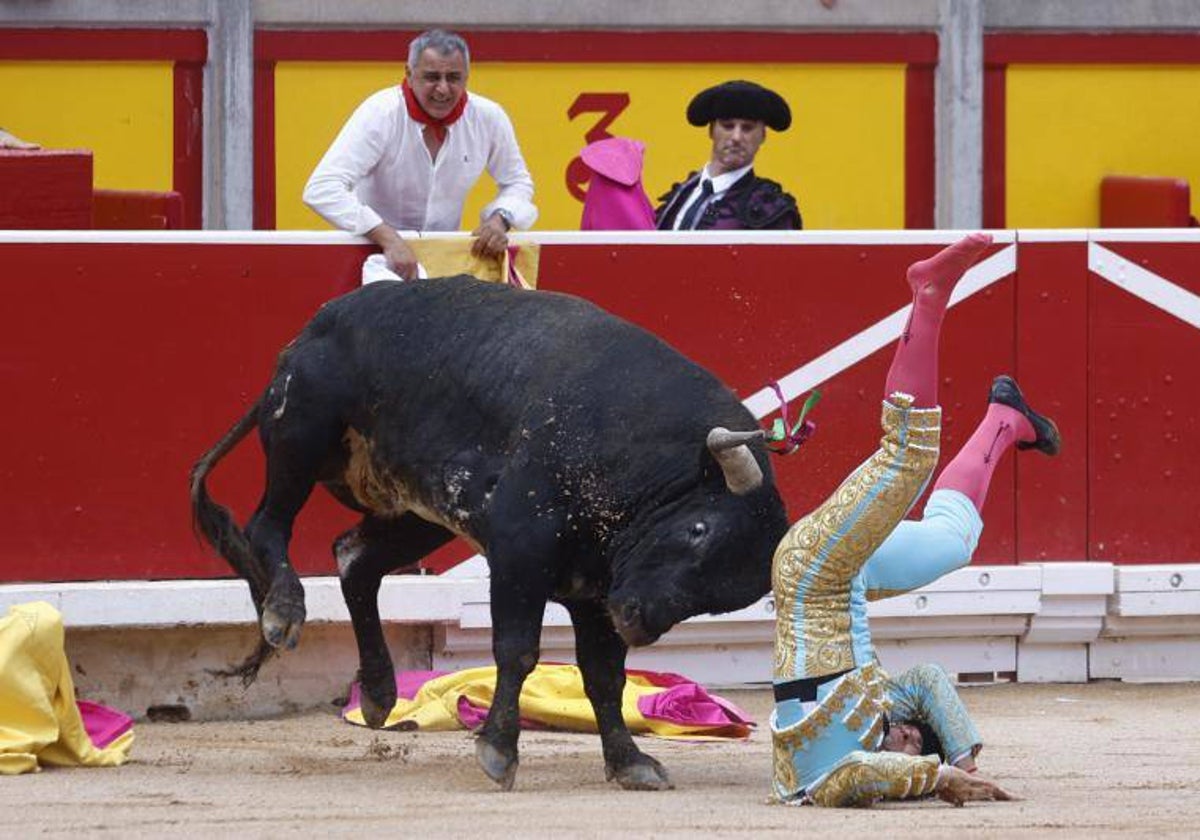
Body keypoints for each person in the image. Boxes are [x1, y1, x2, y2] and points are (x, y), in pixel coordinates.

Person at [770, 233, 1061, 808]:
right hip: (846, 573)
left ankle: (927, 295)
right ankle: (1005, 422)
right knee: (954, 539)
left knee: (907, 454)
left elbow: (861, 777)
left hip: (816, 574)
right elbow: (927, 679)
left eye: (908, 742)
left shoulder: (822, 777)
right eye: (912, 738)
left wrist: (940, 777)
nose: (905, 737)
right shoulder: (877, 716)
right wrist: (960, 756)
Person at [303, 29, 536, 281]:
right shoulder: (380, 112)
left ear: (467, 77)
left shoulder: (489, 117)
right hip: (370, 257)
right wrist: (387, 237)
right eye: (432, 77)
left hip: (444, 265)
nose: (443, 89)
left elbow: (518, 183)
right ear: (409, 74)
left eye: (454, 77)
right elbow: (321, 188)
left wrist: (500, 219)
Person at [655, 80, 801, 231]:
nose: (736, 137)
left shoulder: (770, 209)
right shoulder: (682, 193)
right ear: (711, 131)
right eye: (727, 126)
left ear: (762, 136)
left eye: (747, 128)